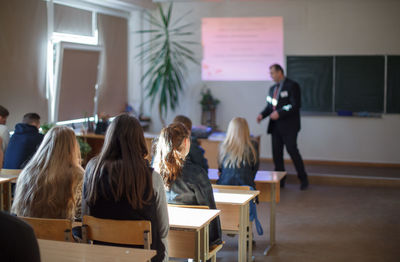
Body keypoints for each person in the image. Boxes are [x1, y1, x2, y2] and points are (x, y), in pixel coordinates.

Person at [82, 114, 168, 262]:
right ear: (139, 140)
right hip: (143, 257)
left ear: (109, 138)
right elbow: (163, 229)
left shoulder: (92, 170)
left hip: (102, 256)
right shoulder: (152, 178)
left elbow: (85, 216)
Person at [152, 122, 222, 247]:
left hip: (161, 238)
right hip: (195, 241)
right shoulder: (197, 174)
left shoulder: (154, 173)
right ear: (186, 142)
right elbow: (210, 211)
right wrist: (215, 240)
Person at [12, 126, 84, 220]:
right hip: (61, 233)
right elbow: (81, 213)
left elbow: (17, 209)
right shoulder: (78, 175)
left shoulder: (27, 172)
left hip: (27, 231)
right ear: (73, 147)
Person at [256, 64, 309, 190]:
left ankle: (303, 179)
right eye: (270, 73)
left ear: (280, 72)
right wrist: (262, 115)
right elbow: (270, 107)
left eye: (272, 73)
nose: (271, 76)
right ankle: (280, 181)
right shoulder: (272, 89)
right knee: (277, 155)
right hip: (275, 127)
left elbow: (295, 105)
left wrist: (279, 113)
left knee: (292, 151)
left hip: (290, 126)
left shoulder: (292, 86)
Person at [217, 117, 259, 189]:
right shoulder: (253, 146)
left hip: (224, 188)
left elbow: (220, 169)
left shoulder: (223, 146)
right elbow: (254, 170)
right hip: (246, 189)